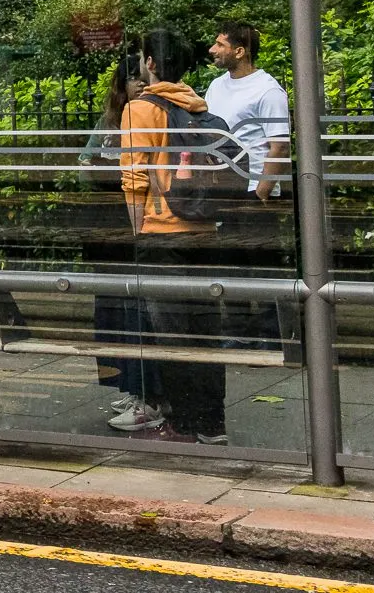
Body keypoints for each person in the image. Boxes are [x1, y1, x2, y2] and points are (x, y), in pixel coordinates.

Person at [121, 29, 230, 444]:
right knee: (206, 332)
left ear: (150, 62)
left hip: (163, 231)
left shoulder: (142, 109)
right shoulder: (200, 108)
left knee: (172, 334)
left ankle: (184, 422)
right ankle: (213, 423)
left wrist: (137, 232)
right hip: (203, 230)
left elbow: (134, 177)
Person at [203, 22, 293, 356]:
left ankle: (271, 333)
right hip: (224, 189)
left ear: (240, 51)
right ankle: (238, 331)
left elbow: (279, 146)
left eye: (219, 44)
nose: (213, 50)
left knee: (262, 263)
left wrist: (263, 191)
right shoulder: (215, 86)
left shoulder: (267, 90)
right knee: (230, 263)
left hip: (254, 190)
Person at [81, 48, 155, 432]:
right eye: (133, 78)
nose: (140, 83)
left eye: (144, 76)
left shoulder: (151, 117)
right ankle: (126, 383)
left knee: (137, 311)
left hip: (136, 226)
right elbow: (84, 164)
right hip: (108, 227)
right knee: (112, 311)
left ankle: (145, 390)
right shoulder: (109, 123)